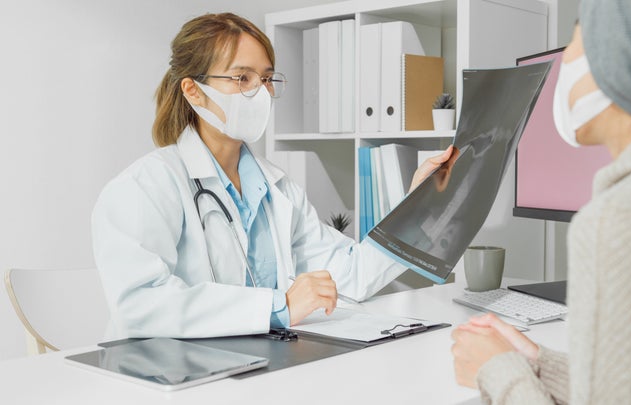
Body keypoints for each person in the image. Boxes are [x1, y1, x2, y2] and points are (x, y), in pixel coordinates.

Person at [91, 13, 453, 339]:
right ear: (193, 91)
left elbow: (352, 275)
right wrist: (276, 307)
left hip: (254, 365)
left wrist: (417, 203)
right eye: (241, 77)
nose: (260, 92)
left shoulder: (276, 189)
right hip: (165, 377)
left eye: (265, 78)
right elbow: (141, 304)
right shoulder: (145, 187)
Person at [451, 0, 631, 403]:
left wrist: (497, 370)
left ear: (624, 57)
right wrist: (537, 360)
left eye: (575, 40)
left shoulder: (628, 218)